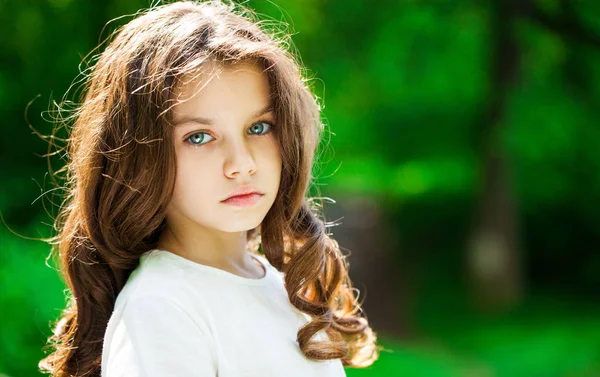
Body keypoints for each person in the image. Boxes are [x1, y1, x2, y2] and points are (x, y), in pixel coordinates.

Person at [37, 1, 380, 376]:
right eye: (199, 137)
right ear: (138, 156)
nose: (242, 163)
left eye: (259, 127)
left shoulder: (285, 287)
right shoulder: (162, 310)